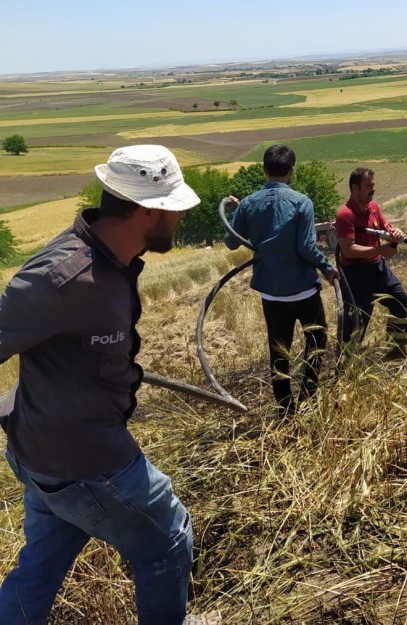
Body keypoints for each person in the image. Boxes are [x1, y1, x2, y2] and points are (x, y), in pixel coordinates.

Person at [0, 145, 205, 625]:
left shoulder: (111, 259)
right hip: (87, 463)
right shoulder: (60, 278)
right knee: (170, 539)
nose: (178, 220)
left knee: (41, 564)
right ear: (148, 210)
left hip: (49, 456)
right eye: (173, 210)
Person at [225, 144, 338, 417]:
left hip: (272, 296)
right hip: (303, 292)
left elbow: (231, 241)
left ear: (264, 170)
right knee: (316, 343)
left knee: (279, 352)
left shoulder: (250, 204)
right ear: (291, 171)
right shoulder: (302, 202)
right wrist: (327, 268)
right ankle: (308, 398)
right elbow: (306, 247)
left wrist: (239, 212)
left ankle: (286, 411)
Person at [335, 167, 407, 358]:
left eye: (374, 185)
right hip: (356, 275)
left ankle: (396, 349)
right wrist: (379, 250)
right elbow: (348, 250)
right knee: (357, 322)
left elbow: (385, 227)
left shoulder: (373, 207)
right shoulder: (345, 215)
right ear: (355, 188)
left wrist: (395, 234)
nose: (373, 189)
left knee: (403, 302)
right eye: (369, 186)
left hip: (378, 269)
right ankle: (346, 366)